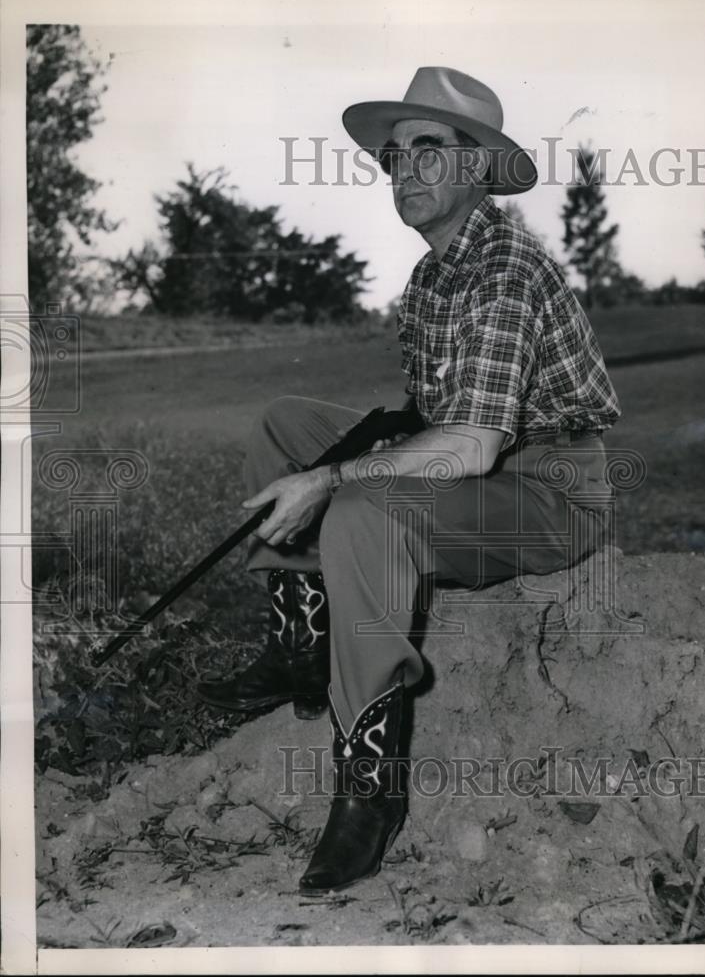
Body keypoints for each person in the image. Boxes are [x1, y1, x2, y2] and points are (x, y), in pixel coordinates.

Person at [198, 67, 621, 895]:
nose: (404, 171)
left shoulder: (505, 272)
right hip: (485, 458)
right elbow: (434, 414)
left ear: (475, 167)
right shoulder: (430, 278)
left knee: (360, 508)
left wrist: (331, 479)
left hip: (551, 491)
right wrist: (344, 449)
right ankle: (302, 643)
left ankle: (367, 785)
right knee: (286, 420)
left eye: (428, 150)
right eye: (393, 157)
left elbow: (466, 449)